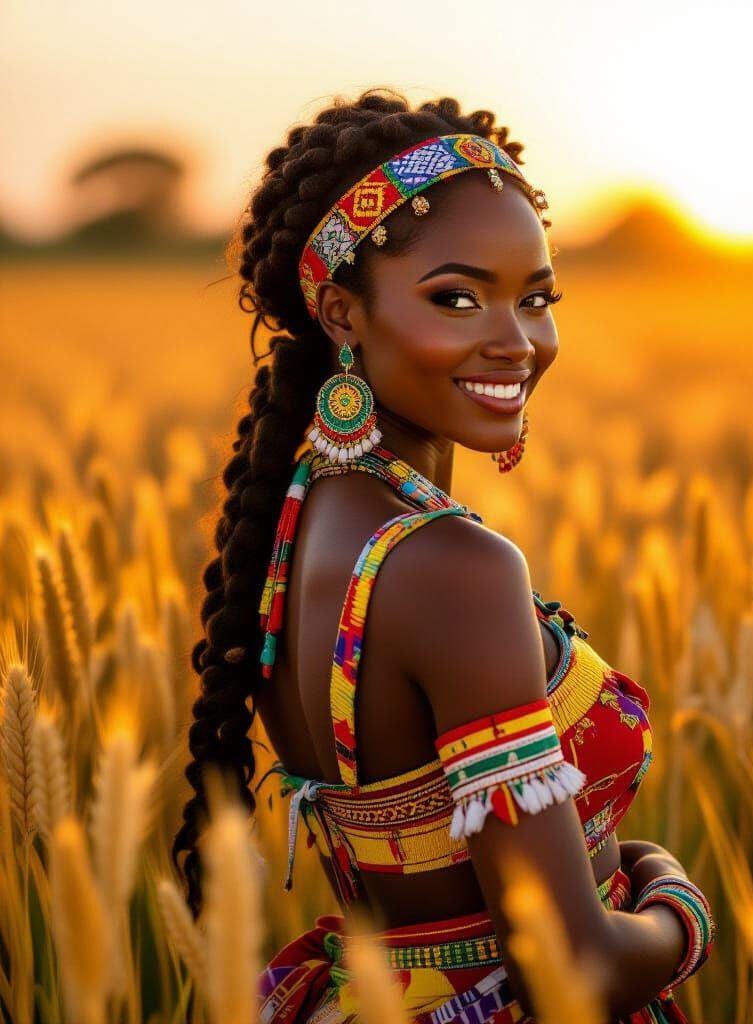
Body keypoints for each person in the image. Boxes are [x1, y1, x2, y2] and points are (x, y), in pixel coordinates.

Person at [172, 87, 715, 1024]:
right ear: (342, 315)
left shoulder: (288, 533)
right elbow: (567, 968)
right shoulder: (456, 570)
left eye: (537, 297)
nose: (517, 342)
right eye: (458, 298)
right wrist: (678, 903)